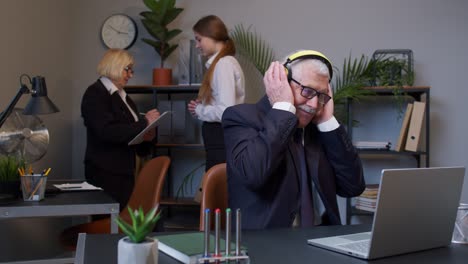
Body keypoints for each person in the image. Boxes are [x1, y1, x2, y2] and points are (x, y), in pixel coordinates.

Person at [222, 50, 365, 229]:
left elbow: (353, 187)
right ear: (282, 82)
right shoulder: (241, 117)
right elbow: (253, 175)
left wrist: (328, 122)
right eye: (307, 91)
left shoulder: (318, 129)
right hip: (268, 245)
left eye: (320, 96)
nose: (313, 104)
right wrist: (283, 107)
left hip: (321, 241)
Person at [81, 49, 160, 210]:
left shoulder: (124, 97)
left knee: (123, 220)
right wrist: (144, 123)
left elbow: (129, 133)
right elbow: (106, 131)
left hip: (124, 171)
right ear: (114, 66)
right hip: (105, 172)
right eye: (127, 69)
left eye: (131, 70)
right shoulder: (95, 94)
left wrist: (147, 135)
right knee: (109, 222)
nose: (130, 75)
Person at [187, 15, 245, 172]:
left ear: (212, 36)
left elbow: (225, 111)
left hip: (220, 136)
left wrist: (199, 110)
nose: (197, 45)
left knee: (217, 189)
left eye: (199, 39)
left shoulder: (223, 64)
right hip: (220, 137)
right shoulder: (224, 63)